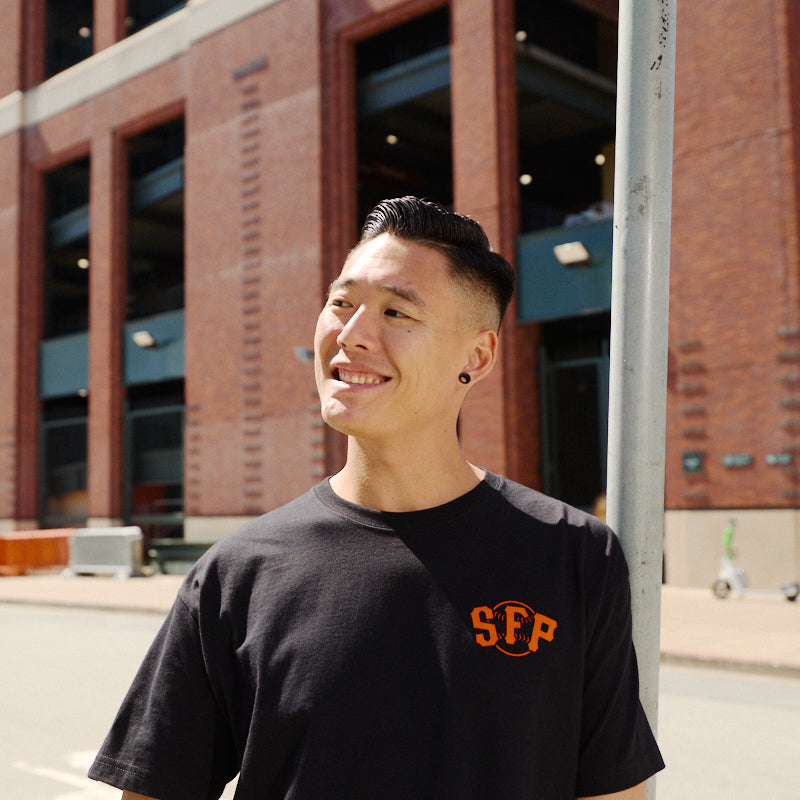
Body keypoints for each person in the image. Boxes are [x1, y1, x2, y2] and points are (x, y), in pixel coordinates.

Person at [90, 196, 664, 800]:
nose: (351, 334)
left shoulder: (573, 556)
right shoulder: (238, 573)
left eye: (396, 311)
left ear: (476, 356)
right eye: (342, 303)